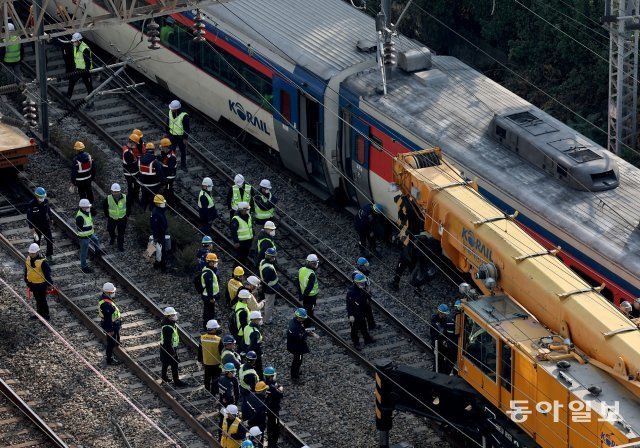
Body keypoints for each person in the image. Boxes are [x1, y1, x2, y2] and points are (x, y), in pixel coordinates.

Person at [24, 243, 52, 320]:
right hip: (32, 284)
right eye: (30, 253)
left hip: (41, 284)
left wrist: (50, 284)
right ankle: (39, 314)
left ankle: (46, 315)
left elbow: (47, 274)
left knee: (42, 299)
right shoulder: (28, 259)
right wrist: (26, 279)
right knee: (37, 299)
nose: (31, 254)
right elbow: (27, 269)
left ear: (37, 252)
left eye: (33, 253)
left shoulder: (43, 262)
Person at [160, 307, 187, 387]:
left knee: (165, 363)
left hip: (164, 347)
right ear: (168, 317)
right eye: (172, 315)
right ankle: (176, 381)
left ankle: (164, 378)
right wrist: (173, 353)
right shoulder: (168, 328)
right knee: (174, 364)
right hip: (168, 348)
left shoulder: (168, 323)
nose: (175, 316)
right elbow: (168, 343)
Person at [346, 273, 374, 350]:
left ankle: (367, 339)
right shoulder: (351, 292)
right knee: (354, 329)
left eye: (363, 282)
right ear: (356, 282)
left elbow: (368, 297)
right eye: (361, 282)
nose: (363, 283)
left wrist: (369, 292)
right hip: (354, 313)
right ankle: (356, 343)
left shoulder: (363, 288)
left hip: (361, 311)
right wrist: (351, 315)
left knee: (363, 326)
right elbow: (349, 305)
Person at [27, 187, 54, 259]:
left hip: (45, 225)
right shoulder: (31, 204)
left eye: (43, 197)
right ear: (36, 196)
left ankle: (49, 255)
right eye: (40, 197)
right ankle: (36, 256)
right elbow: (29, 217)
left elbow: (48, 210)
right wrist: (31, 228)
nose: (42, 198)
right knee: (36, 242)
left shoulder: (45, 201)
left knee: (50, 240)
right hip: (36, 227)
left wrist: (51, 218)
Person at [98, 282, 122, 365]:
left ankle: (117, 343)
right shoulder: (106, 304)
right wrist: (110, 330)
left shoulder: (105, 298)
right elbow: (108, 319)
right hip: (111, 324)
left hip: (115, 322)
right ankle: (109, 359)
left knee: (115, 338)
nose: (113, 293)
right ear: (108, 293)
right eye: (112, 292)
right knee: (110, 342)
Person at [66, 33, 94, 100]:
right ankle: (68, 97)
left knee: (89, 86)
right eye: (73, 42)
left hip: (86, 71)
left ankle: (91, 101)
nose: (73, 43)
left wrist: (87, 70)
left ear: (79, 41)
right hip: (79, 69)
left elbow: (88, 62)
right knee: (72, 81)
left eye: (74, 42)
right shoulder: (75, 47)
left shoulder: (85, 49)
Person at [76, 198, 100, 274]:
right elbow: (80, 229)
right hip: (83, 237)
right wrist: (90, 227)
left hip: (90, 234)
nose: (88, 208)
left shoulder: (87, 211)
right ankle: (84, 267)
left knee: (96, 239)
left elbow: (95, 213)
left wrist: (92, 208)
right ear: (82, 207)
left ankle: (98, 251)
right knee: (84, 252)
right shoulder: (79, 217)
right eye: (87, 207)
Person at [102, 183, 129, 252]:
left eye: (117, 192)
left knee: (121, 233)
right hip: (112, 218)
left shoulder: (125, 197)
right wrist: (107, 215)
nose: (116, 193)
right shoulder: (108, 198)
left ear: (120, 191)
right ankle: (113, 237)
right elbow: (105, 207)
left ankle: (120, 246)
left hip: (122, 218)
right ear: (112, 191)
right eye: (114, 192)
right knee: (110, 229)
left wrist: (127, 215)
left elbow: (129, 207)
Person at [198, 319, 222, 395]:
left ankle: (207, 389)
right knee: (216, 377)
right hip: (216, 362)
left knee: (207, 377)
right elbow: (222, 352)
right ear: (214, 329)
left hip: (206, 362)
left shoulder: (202, 338)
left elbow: (200, 350)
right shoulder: (218, 339)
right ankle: (214, 391)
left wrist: (199, 360)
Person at [138, 145, 166, 210]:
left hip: (143, 184)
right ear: (153, 151)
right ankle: (152, 212)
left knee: (144, 197)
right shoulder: (155, 162)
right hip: (154, 185)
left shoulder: (140, 160)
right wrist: (163, 183)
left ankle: (142, 210)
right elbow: (160, 175)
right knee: (153, 199)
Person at [430, 304, 456, 374]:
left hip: (443, 344)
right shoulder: (434, 322)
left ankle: (443, 373)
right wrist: (442, 341)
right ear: (440, 313)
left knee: (448, 359)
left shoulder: (445, 320)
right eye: (444, 314)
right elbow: (434, 336)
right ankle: (435, 374)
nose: (446, 315)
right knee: (438, 361)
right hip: (437, 345)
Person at [71, 141, 96, 212]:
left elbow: (73, 173)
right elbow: (94, 168)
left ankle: (84, 207)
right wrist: (93, 177)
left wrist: (73, 182)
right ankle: (91, 205)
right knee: (89, 191)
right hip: (88, 179)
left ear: (76, 150)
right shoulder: (89, 156)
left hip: (79, 181)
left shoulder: (75, 160)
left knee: (82, 194)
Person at [287, 308, 309, 381]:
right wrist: (306, 333)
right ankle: (295, 376)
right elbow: (300, 338)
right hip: (297, 348)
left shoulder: (293, 322)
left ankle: (296, 372)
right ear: (299, 318)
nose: (303, 320)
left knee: (297, 361)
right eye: (302, 318)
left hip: (293, 346)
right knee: (297, 361)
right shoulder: (295, 327)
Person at [259, 248, 280, 324]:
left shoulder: (262, 262)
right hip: (270, 289)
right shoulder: (269, 268)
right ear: (270, 257)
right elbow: (266, 281)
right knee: (269, 305)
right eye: (273, 257)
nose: (274, 258)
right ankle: (267, 320)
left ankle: (265, 317)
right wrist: (262, 288)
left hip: (268, 288)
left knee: (267, 303)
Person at [353, 257, 376, 329]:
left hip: (366, 295)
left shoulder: (363, 272)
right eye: (365, 266)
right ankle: (359, 328)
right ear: (361, 266)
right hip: (361, 297)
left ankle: (372, 325)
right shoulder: (357, 275)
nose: (367, 268)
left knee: (369, 311)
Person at [263, 367, 283, 448]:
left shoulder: (264, 384)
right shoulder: (272, 387)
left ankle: (270, 443)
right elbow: (280, 394)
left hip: (267, 408)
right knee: (275, 429)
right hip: (274, 411)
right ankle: (273, 445)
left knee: (269, 426)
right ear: (271, 376)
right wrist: (280, 388)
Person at [298, 254, 319, 327]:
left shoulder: (301, 269)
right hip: (311, 296)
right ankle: (307, 326)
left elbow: (298, 282)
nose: (315, 265)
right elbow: (309, 287)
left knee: (306, 308)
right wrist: (304, 295)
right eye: (314, 263)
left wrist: (301, 294)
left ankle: (305, 323)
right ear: (309, 263)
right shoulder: (311, 274)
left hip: (305, 295)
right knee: (309, 311)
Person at [167, 100, 189, 170]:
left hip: (181, 137)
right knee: (171, 150)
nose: (171, 110)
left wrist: (185, 138)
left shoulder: (184, 116)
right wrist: (166, 133)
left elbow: (187, 128)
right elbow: (168, 122)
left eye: (173, 109)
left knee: (183, 151)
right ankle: (171, 164)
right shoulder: (170, 112)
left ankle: (183, 165)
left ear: (176, 109)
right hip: (172, 135)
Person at [230, 202, 253, 268]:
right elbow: (233, 231)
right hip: (241, 242)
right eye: (247, 209)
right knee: (239, 257)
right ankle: (236, 270)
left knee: (245, 256)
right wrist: (236, 242)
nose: (248, 210)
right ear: (242, 209)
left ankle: (242, 269)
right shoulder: (236, 219)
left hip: (248, 240)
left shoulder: (248, 216)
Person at [201, 252, 220, 330]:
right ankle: (208, 326)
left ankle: (208, 325)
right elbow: (209, 286)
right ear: (210, 262)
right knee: (209, 312)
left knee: (208, 311)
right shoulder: (208, 273)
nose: (216, 263)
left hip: (207, 296)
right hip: (209, 297)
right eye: (215, 262)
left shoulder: (207, 269)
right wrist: (211, 297)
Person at [150, 194, 169, 272]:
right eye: (161, 203)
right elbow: (155, 227)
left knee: (157, 251)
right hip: (159, 235)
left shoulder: (158, 211)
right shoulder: (156, 214)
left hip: (160, 234)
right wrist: (156, 237)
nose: (163, 204)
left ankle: (157, 265)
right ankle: (163, 268)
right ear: (157, 203)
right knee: (162, 251)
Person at [243, 311, 264, 377]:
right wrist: (260, 353)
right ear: (254, 320)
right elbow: (254, 345)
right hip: (254, 352)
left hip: (247, 348)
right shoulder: (254, 332)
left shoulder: (247, 327)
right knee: (258, 368)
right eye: (259, 319)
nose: (260, 320)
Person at [121, 134, 140, 204]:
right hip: (131, 173)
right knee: (131, 188)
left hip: (131, 172)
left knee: (134, 187)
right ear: (132, 142)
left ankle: (133, 200)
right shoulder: (128, 153)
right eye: (135, 143)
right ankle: (130, 201)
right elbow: (131, 164)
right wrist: (138, 162)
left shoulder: (128, 149)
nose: (136, 145)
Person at [160, 138, 177, 203]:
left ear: (166, 147)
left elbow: (170, 170)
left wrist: (164, 177)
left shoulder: (171, 157)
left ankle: (170, 202)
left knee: (169, 188)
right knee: (166, 188)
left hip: (169, 177)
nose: (161, 148)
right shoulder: (166, 154)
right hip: (166, 175)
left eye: (162, 147)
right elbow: (164, 160)